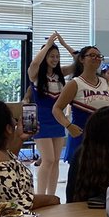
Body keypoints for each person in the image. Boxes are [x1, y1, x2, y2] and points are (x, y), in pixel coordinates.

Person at [52, 45, 109, 164]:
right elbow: (56, 108)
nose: (96, 58)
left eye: (99, 56)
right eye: (92, 55)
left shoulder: (105, 83)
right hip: (82, 136)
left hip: (104, 135)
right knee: (81, 177)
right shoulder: (75, 83)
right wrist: (68, 126)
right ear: (82, 59)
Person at [27, 31, 75, 195]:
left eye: (57, 56)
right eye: (51, 56)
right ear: (44, 57)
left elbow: (79, 61)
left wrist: (63, 44)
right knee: (47, 160)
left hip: (58, 120)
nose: (55, 59)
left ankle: (51, 196)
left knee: (55, 161)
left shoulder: (60, 73)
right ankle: (40, 196)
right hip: (41, 120)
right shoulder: (35, 75)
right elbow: (34, 63)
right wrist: (48, 45)